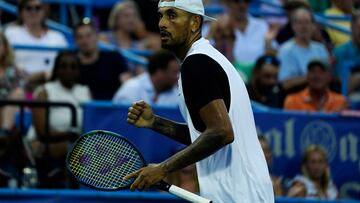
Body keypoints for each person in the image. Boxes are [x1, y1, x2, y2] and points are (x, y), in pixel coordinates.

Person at [124, 0, 274, 202]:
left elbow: (222, 133)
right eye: (161, 15)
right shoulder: (206, 59)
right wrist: (154, 122)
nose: (162, 23)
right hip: (245, 191)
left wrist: (163, 168)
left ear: (195, 22)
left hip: (236, 194)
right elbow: (206, 135)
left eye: (172, 15)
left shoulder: (197, 64)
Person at [26, 52, 91, 188]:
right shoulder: (44, 91)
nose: (68, 70)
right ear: (56, 70)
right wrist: (71, 135)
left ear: (78, 71)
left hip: (79, 142)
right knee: (77, 149)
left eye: (73, 67)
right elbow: (41, 132)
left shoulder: (85, 91)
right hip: (46, 143)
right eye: (64, 66)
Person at [4, 0, 68, 76]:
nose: (33, 12)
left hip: (51, 83)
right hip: (18, 82)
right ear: (21, 12)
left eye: (38, 8)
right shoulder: (9, 34)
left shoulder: (58, 37)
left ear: (45, 11)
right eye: (28, 8)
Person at [74, 20, 130, 100]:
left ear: (96, 37)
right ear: (75, 41)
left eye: (88, 35)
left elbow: (127, 85)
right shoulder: (70, 65)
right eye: (80, 37)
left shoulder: (114, 58)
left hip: (113, 108)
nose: (85, 41)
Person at [277, 7, 329, 91]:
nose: (304, 27)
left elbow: (328, 76)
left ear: (313, 25)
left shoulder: (321, 49)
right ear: (293, 26)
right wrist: (313, 77)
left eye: (307, 22)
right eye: (299, 23)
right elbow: (285, 83)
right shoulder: (286, 50)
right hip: (296, 96)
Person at [112, 50, 179, 107]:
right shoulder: (131, 88)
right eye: (174, 72)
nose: (178, 76)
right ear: (159, 72)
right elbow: (120, 118)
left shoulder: (177, 93)